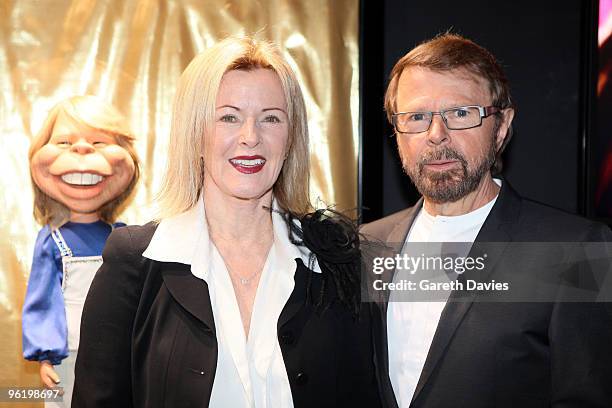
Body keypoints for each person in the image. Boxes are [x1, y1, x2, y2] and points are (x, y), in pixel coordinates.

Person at [72, 37, 380, 407]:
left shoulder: (335, 261)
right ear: (195, 132)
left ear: (291, 137)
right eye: (228, 117)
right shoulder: (134, 262)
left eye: (271, 118)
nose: (250, 138)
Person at [361, 33, 612, 408]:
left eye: (460, 114)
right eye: (416, 117)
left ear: (502, 126)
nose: (436, 136)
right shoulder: (366, 245)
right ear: (396, 132)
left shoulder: (576, 250)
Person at [22, 95, 139, 407]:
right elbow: (43, 298)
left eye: (99, 141)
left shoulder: (123, 237)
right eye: (64, 141)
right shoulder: (52, 240)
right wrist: (46, 356)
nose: (83, 150)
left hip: (117, 349)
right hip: (69, 347)